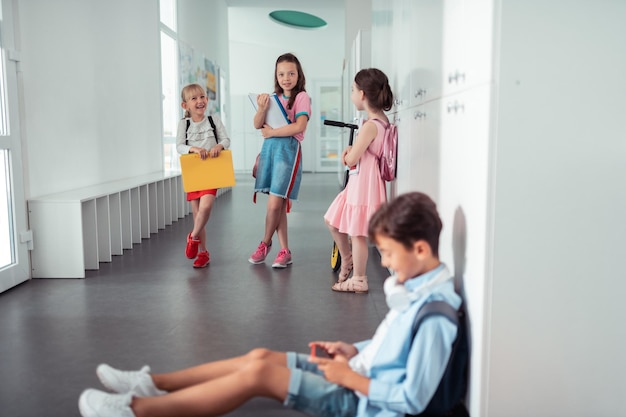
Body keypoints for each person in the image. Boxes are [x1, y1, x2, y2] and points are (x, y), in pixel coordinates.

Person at [77, 192, 464, 417]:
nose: (384, 263)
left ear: (420, 248)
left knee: (260, 376)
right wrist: (353, 350)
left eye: (389, 253)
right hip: (357, 371)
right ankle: (153, 382)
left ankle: (136, 409)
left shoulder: (436, 315)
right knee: (260, 355)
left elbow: (413, 398)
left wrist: (351, 379)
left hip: (361, 399)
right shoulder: (417, 291)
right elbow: (391, 349)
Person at [324, 68, 394, 293]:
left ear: (363, 94)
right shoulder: (381, 121)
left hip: (364, 182)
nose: (352, 95)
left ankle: (359, 279)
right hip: (363, 181)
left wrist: (346, 153)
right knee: (333, 220)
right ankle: (348, 259)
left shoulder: (370, 125)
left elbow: (352, 158)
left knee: (357, 232)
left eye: (353, 90)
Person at [248, 52, 311, 268]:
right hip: (270, 150)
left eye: (291, 73)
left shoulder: (302, 96)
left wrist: (273, 132)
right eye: (282, 73)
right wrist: (262, 108)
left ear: (298, 74)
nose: (286, 78)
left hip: (288, 152)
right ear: (276, 75)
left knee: (275, 203)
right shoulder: (272, 98)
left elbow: (299, 126)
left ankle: (265, 243)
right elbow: (257, 124)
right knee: (279, 203)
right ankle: (285, 251)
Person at [176, 83, 231, 268]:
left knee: (206, 207)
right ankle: (203, 253)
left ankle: (192, 237)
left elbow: (226, 139)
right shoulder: (184, 124)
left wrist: (219, 146)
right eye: (194, 98)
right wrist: (193, 148)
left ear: (206, 100)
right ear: (185, 106)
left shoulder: (214, 120)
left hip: (211, 171)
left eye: (202, 97)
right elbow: (179, 146)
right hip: (194, 172)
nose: (199, 101)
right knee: (198, 214)